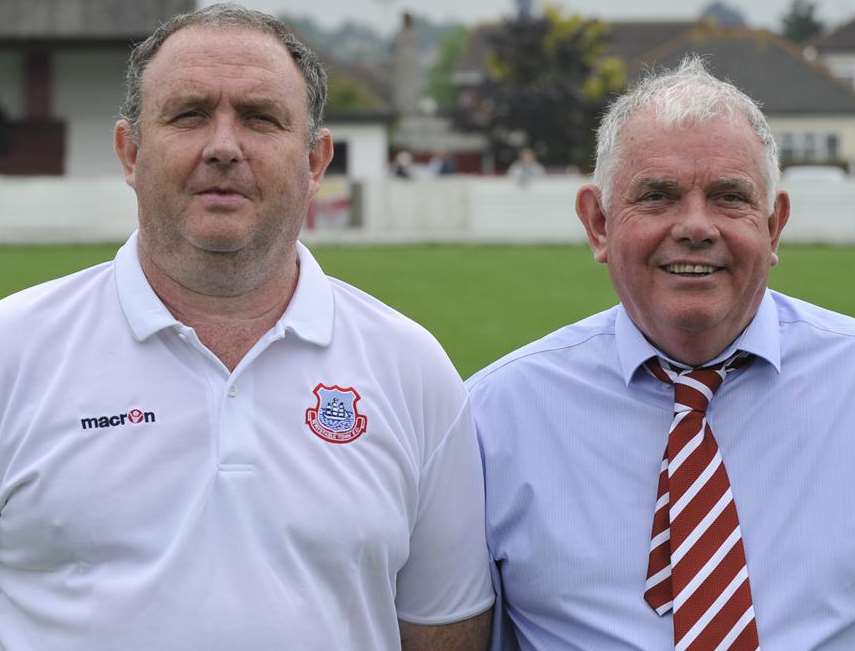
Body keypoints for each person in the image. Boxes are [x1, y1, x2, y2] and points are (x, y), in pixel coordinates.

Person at [0, 5, 492, 650]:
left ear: (315, 162)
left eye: (260, 118)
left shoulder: (411, 368)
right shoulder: (14, 349)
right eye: (189, 114)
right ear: (130, 151)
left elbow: (444, 631)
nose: (224, 146)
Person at [468, 56, 855, 650]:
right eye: (658, 196)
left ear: (774, 227)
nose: (695, 226)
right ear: (598, 224)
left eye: (728, 197)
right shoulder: (490, 420)